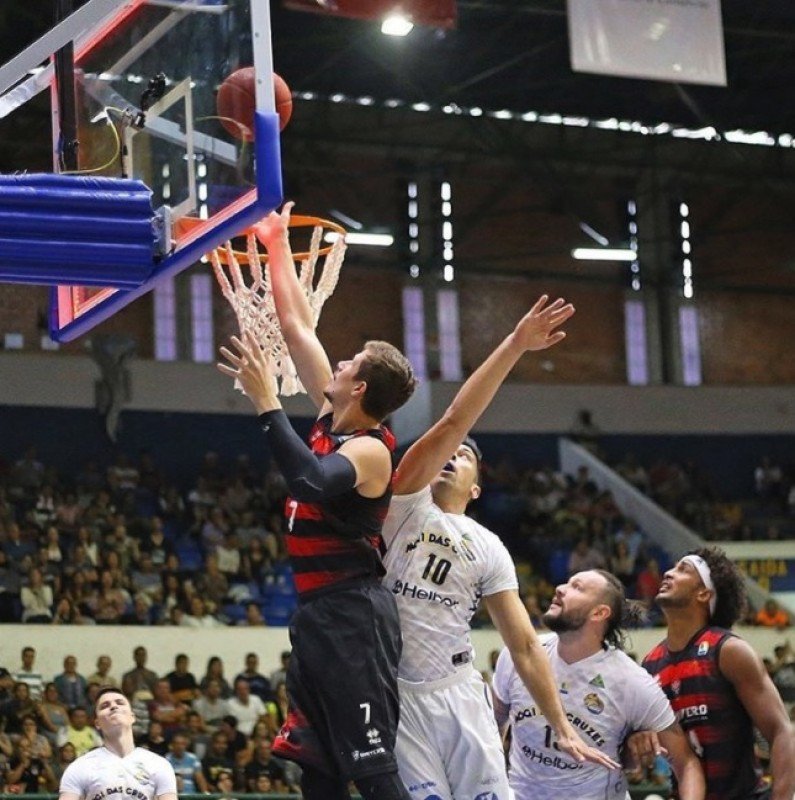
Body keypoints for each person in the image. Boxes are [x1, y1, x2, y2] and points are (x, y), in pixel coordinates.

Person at [380, 297, 619, 799]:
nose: (452, 455)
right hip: (397, 697)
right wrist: (514, 345)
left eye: (464, 455)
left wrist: (562, 726)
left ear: (476, 488)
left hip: (459, 693)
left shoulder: (489, 547)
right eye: (448, 450)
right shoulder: (402, 503)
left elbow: (526, 645)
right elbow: (453, 421)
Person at [217, 202, 417, 800]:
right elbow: (295, 326)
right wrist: (277, 242)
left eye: (350, 361)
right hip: (318, 615)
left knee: (372, 768)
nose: (340, 360)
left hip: (353, 615)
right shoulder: (333, 417)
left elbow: (309, 481)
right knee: (318, 769)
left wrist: (266, 403)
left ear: (360, 386)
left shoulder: (372, 450)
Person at [492, 569, 705, 799]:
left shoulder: (631, 681)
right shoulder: (518, 656)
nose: (560, 589)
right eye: (567, 583)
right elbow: (491, 726)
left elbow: (687, 764)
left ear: (599, 613)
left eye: (577, 587)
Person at [638, 547, 795, 800]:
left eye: (683, 569)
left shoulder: (729, 651)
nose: (668, 573)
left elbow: (781, 731)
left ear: (703, 593)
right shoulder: (650, 664)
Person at [59, 687, 177, 800]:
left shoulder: (159, 764)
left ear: (132, 717)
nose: (114, 706)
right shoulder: (79, 767)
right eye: (105, 706)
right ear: (97, 723)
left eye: (120, 703)